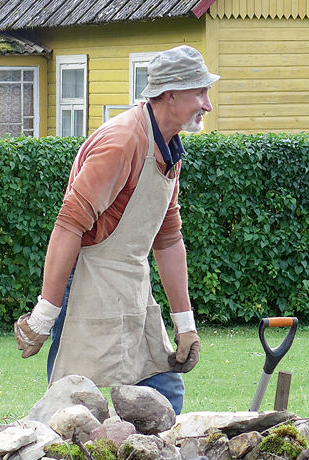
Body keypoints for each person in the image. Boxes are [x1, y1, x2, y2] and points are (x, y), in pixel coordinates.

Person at [14, 45, 219, 415]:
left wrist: (185, 324)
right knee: (71, 404)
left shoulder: (170, 149)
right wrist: (45, 315)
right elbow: (69, 224)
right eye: (200, 93)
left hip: (133, 283)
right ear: (170, 95)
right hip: (87, 281)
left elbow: (169, 238)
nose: (207, 104)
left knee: (164, 396)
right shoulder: (122, 141)